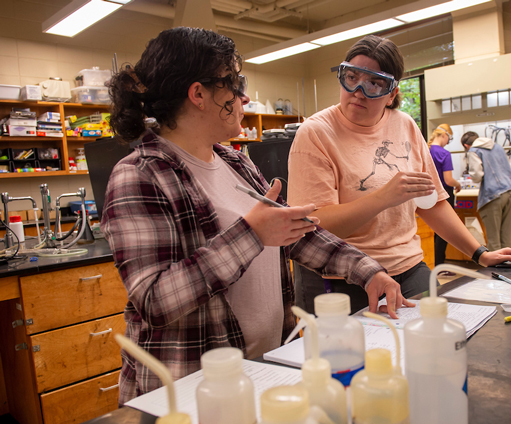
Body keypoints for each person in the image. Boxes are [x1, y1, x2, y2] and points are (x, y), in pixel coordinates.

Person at [101, 27, 411, 404]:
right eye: (233, 83)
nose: (243, 95)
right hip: (192, 391)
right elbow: (156, 299)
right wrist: (251, 234)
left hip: (263, 372)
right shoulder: (139, 174)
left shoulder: (234, 162)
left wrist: (367, 270)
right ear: (198, 94)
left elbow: (296, 230)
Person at [287, 35, 511, 314]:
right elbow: (315, 226)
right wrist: (383, 197)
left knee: (441, 335)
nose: (359, 91)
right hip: (343, 277)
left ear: (392, 93)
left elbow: (433, 203)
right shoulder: (316, 133)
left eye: (374, 83)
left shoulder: (405, 125)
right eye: (351, 77)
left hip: (408, 268)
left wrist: (480, 253)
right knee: (362, 357)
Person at [460, 131, 511, 251]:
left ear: (466, 146)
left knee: (494, 242)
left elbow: (477, 176)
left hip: (493, 195)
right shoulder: (497, 146)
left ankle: (496, 269)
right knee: (506, 239)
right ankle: (507, 267)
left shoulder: (474, 150)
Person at [428, 124, 462, 267]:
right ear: (444, 135)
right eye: (449, 138)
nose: (448, 142)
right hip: (443, 195)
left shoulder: (425, 151)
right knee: (445, 232)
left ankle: (433, 263)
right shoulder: (444, 153)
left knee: (433, 232)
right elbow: (448, 180)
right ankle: (440, 266)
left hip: (428, 195)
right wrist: (458, 184)